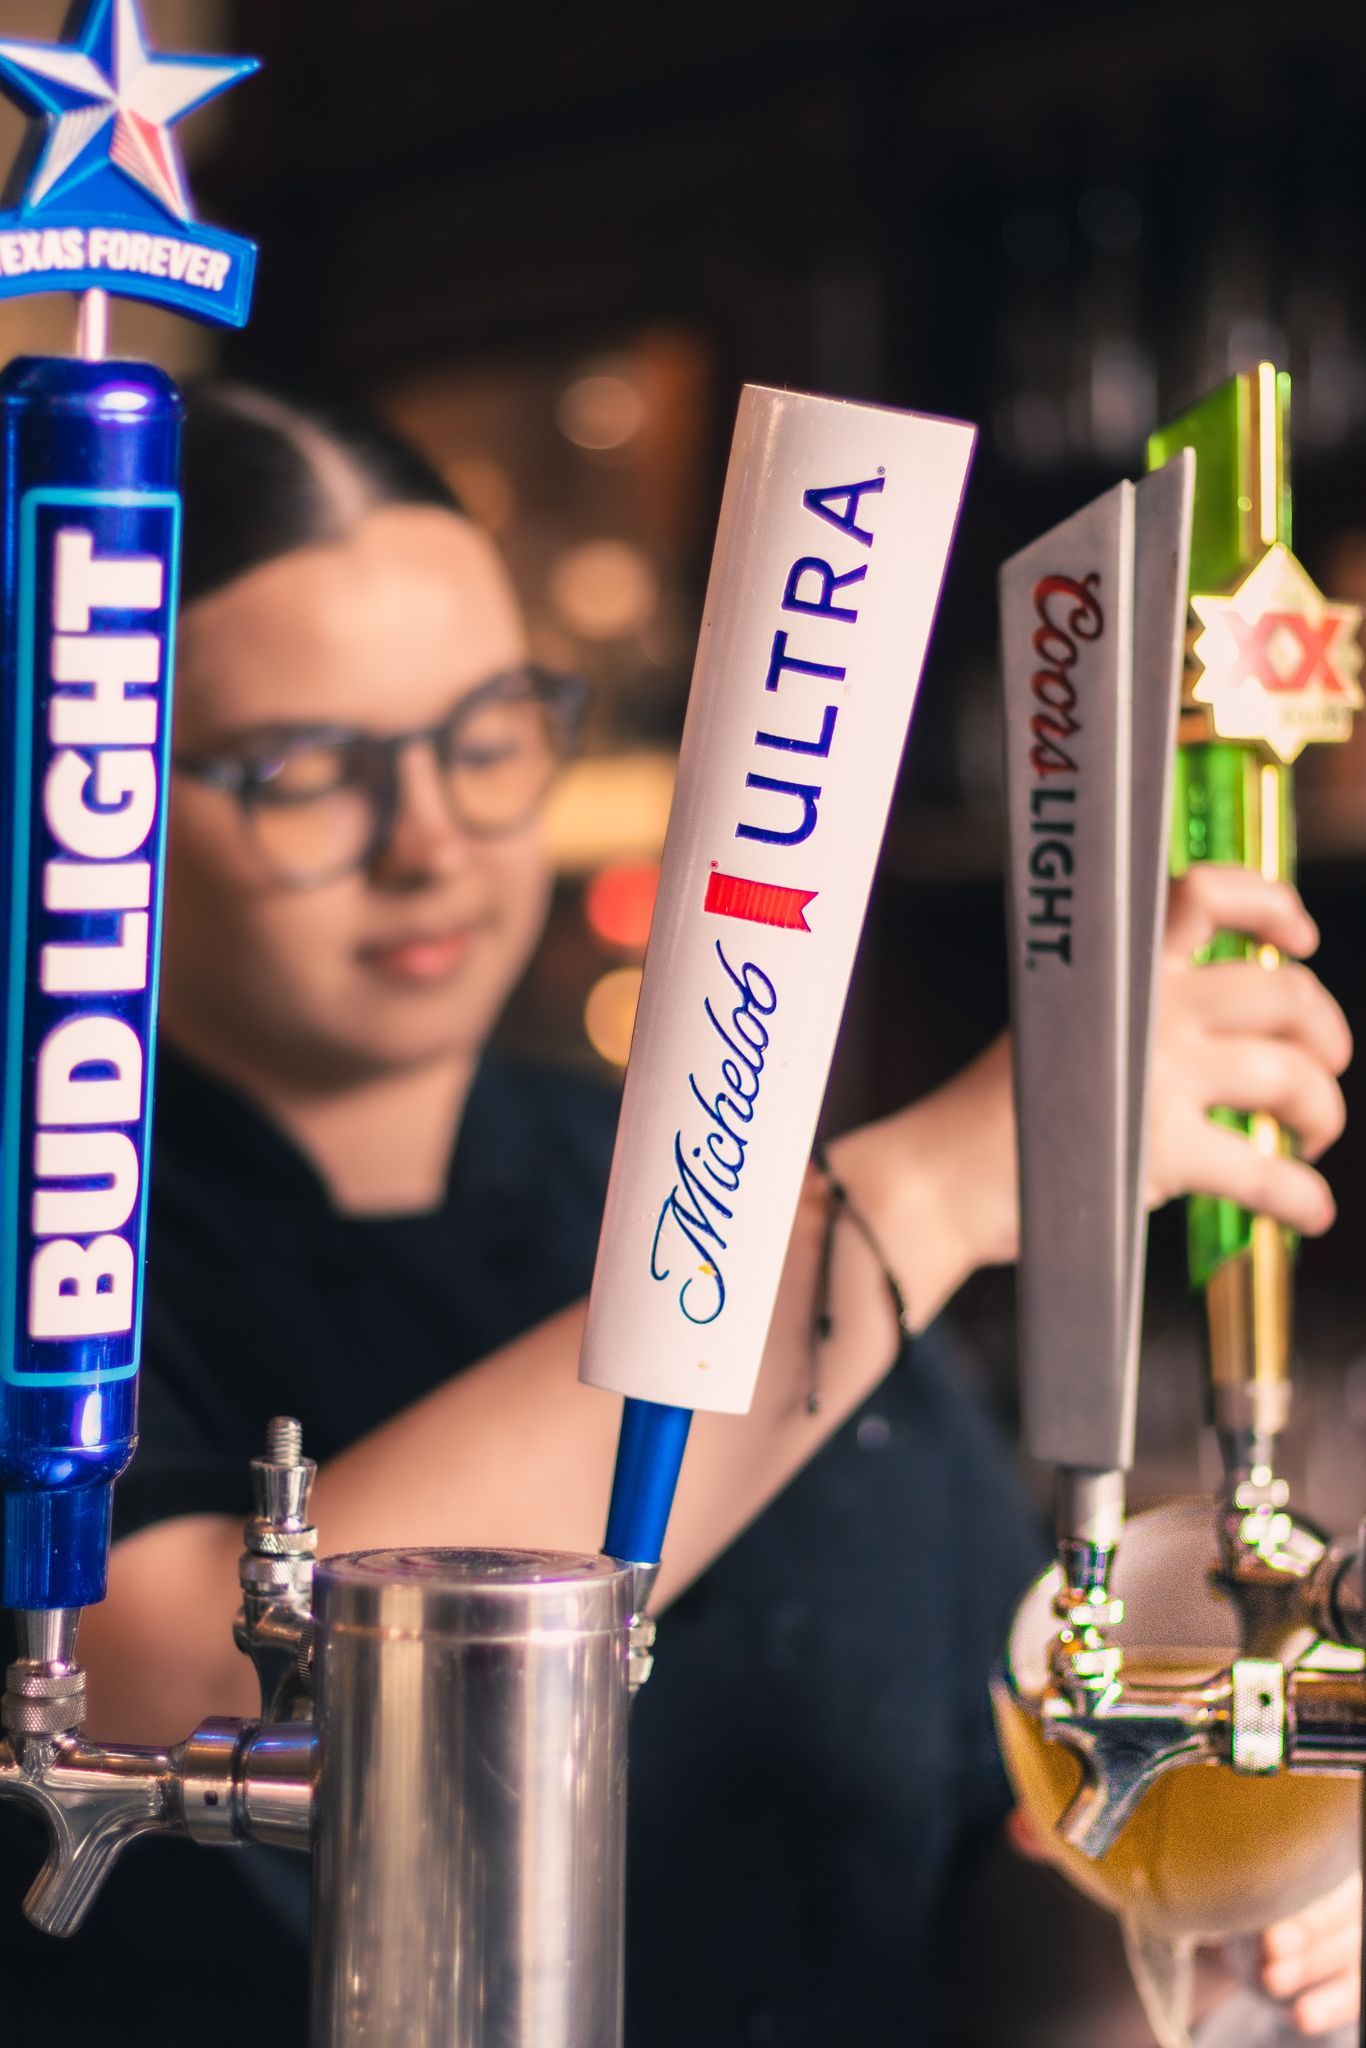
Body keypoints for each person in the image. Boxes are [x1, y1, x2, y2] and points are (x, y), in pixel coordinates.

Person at [0, 383, 1355, 2045]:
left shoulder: (675, 1180)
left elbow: (959, 1889)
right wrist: (941, 1184)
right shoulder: (53, 1253)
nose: (428, 838)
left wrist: (1189, 1932)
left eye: (487, 732)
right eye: (301, 770)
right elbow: (204, 1688)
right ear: (89, 801)